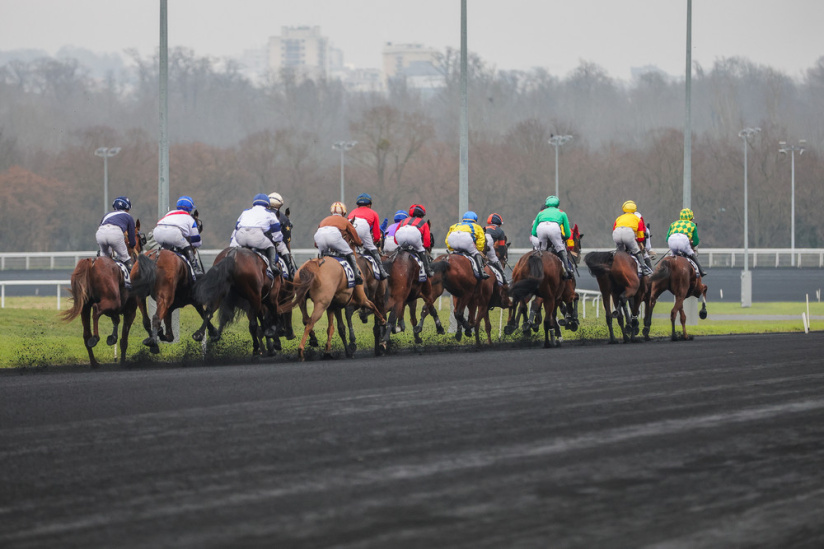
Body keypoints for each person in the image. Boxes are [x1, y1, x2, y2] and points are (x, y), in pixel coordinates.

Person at [230, 193, 286, 276]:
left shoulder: (245, 211)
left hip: (240, 236)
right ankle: (272, 266)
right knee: (270, 245)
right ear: (267, 205)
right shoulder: (270, 213)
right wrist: (277, 240)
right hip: (256, 237)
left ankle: (229, 260)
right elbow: (277, 231)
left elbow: (236, 226)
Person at [153, 195, 204, 277]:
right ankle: (196, 269)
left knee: (164, 249)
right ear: (190, 209)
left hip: (157, 232)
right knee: (187, 246)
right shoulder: (190, 219)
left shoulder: (169, 213)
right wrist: (196, 244)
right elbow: (196, 241)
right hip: (174, 234)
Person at [314, 201, 364, 285]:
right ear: (344, 213)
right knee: (349, 252)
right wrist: (359, 243)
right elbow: (356, 239)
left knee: (323, 256)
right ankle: (356, 274)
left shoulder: (324, 220)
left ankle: (317, 273)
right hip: (334, 236)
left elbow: (316, 244)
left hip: (319, 236)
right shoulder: (345, 220)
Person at [348, 193, 389, 279]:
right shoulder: (373, 213)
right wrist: (376, 241)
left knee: (347, 249)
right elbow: (377, 233)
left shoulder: (352, 212)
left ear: (358, 205)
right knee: (371, 247)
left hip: (350, 226)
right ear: (369, 205)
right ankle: (382, 271)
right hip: (363, 226)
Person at [532, 196, 574, 279]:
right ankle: (567, 270)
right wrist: (563, 238)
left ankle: (535, 270)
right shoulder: (562, 213)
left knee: (542, 251)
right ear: (558, 205)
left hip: (541, 229)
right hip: (554, 229)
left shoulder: (541, 213)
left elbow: (533, 232)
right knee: (560, 248)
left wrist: (541, 237)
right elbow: (568, 234)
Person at [96, 196, 137, 277]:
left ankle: (99, 276)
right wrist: (132, 245)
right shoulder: (128, 216)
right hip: (115, 233)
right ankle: (134, 281)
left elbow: (101, 227)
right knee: (125, 257)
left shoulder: (107, 215)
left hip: (100, 233)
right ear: (127, 208)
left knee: (104, 257)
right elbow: (132, 237)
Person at [613, 200, 653, 276]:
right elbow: (641, 237)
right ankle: (644, 267)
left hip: (617, 234)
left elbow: (614, 229)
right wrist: (637, 239)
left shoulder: (619, 218)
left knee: (619, 253)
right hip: (628, 234)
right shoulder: (637, 219)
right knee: (636, 251)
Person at [445, 211, 489, 279]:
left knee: (453, 253)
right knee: (476, 253)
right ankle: (482, 272)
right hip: (466, 239)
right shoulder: (477, 226)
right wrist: (479, 249)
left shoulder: (454, 225)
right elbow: (481, 239)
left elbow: (447, 239)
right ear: (475, 220)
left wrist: (451, 248)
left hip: (453, 239)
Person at [394, 203, 435, 277]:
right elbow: (427, 241)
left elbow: (395, 239)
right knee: (421, 249)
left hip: (400, 237)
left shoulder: (403, 221)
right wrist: (425, 246)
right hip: (413, 236)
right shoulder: (424, 223)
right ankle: (427, 270)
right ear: (422, 214)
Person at [666, 208, 707, 276]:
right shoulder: (692, 224)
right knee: (690, 253)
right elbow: (696, 241)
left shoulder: (673, 224)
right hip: (683, 241)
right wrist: (692, 244)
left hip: (671, 240)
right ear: (690, 218)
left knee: (672, 256)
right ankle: (701, 270)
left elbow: (667, 238)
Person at [267, 192, 297, 277]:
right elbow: (287, 240)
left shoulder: (261, 214)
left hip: (258, 241)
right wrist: (289, 253)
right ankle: (291, 276)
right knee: (285, 250)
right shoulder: (283, 217)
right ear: (280, 205)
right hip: (275, 243)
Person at [484, 213, 508, 282]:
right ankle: (504, 279)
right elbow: (501, 248)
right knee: (495, 260)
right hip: (488, 243)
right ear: (498, 223)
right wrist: (501, 256)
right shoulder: (500, 231)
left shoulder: (484, 228)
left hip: (480, 245)